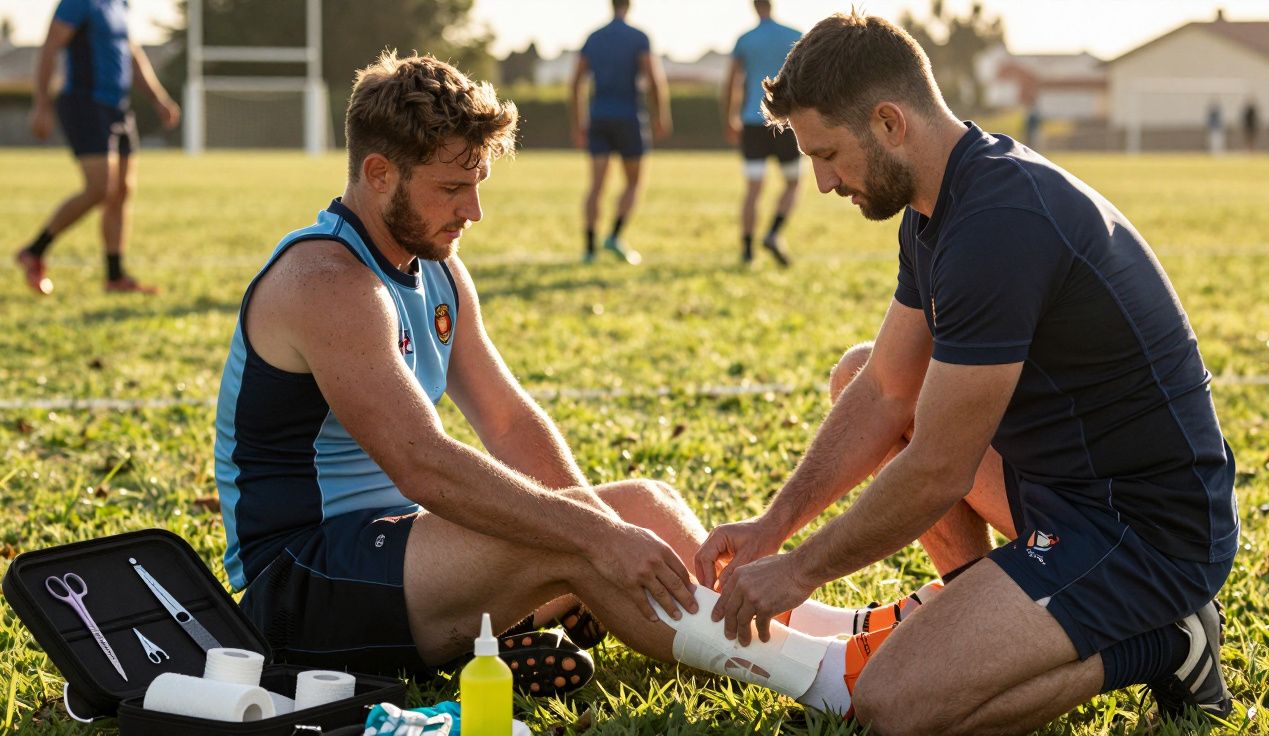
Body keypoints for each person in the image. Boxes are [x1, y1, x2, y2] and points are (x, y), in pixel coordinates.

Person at [214, 51, 917, 709]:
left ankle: (846, 627)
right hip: (302, 581)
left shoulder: (436, 266)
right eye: (453, 188)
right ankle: (831, 677)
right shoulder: (325, 282)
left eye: (477, 186)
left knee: (643, 503)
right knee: (577, 541)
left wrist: (605, 522)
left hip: (392, 550)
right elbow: (422, 463)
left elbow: (509, 421)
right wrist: (594, 536)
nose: (473, 212)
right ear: (378, 174)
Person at [693, 13, 1238, 734]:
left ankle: (1170, 644)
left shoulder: (998, 220)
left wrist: (799, 570)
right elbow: (888, 389)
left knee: (894, 706)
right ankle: (986, 605)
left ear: (889, 122)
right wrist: (773, 525)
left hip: (1144, 529)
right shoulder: (934, 207)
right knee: (860, 371)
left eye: (827, 154)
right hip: (1059, 489)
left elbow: (939, 470)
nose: (822, 183)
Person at [14, 0, 179, 296]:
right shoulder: (78, 2)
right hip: (84, 104)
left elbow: (132, 53)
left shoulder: (120, 4)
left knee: (123, 190)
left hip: (118, 107)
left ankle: (115, 276)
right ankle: (35, 250)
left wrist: (158, 98)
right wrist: (41, 104)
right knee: (99, 188)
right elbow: (51, 46)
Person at [570, 0, 670, 264]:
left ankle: (590, 248)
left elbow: (575, 82)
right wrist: (661, 115)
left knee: (596, 186)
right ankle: (614, 236)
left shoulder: (593, 37)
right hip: (629, 119)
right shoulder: (639, 37)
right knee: (634, 182)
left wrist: (578, 122)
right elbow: (653, 79)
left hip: (599, 118)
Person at [723, 0, 803, 267]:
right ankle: (772, 233)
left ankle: (747, 251)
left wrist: (729, 118)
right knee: (792, 183)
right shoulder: (794, 36)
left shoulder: (745, 40)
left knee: (753, 189)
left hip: (752, 121)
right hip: (785, 122)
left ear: (755, 7)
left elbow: (732, 83)